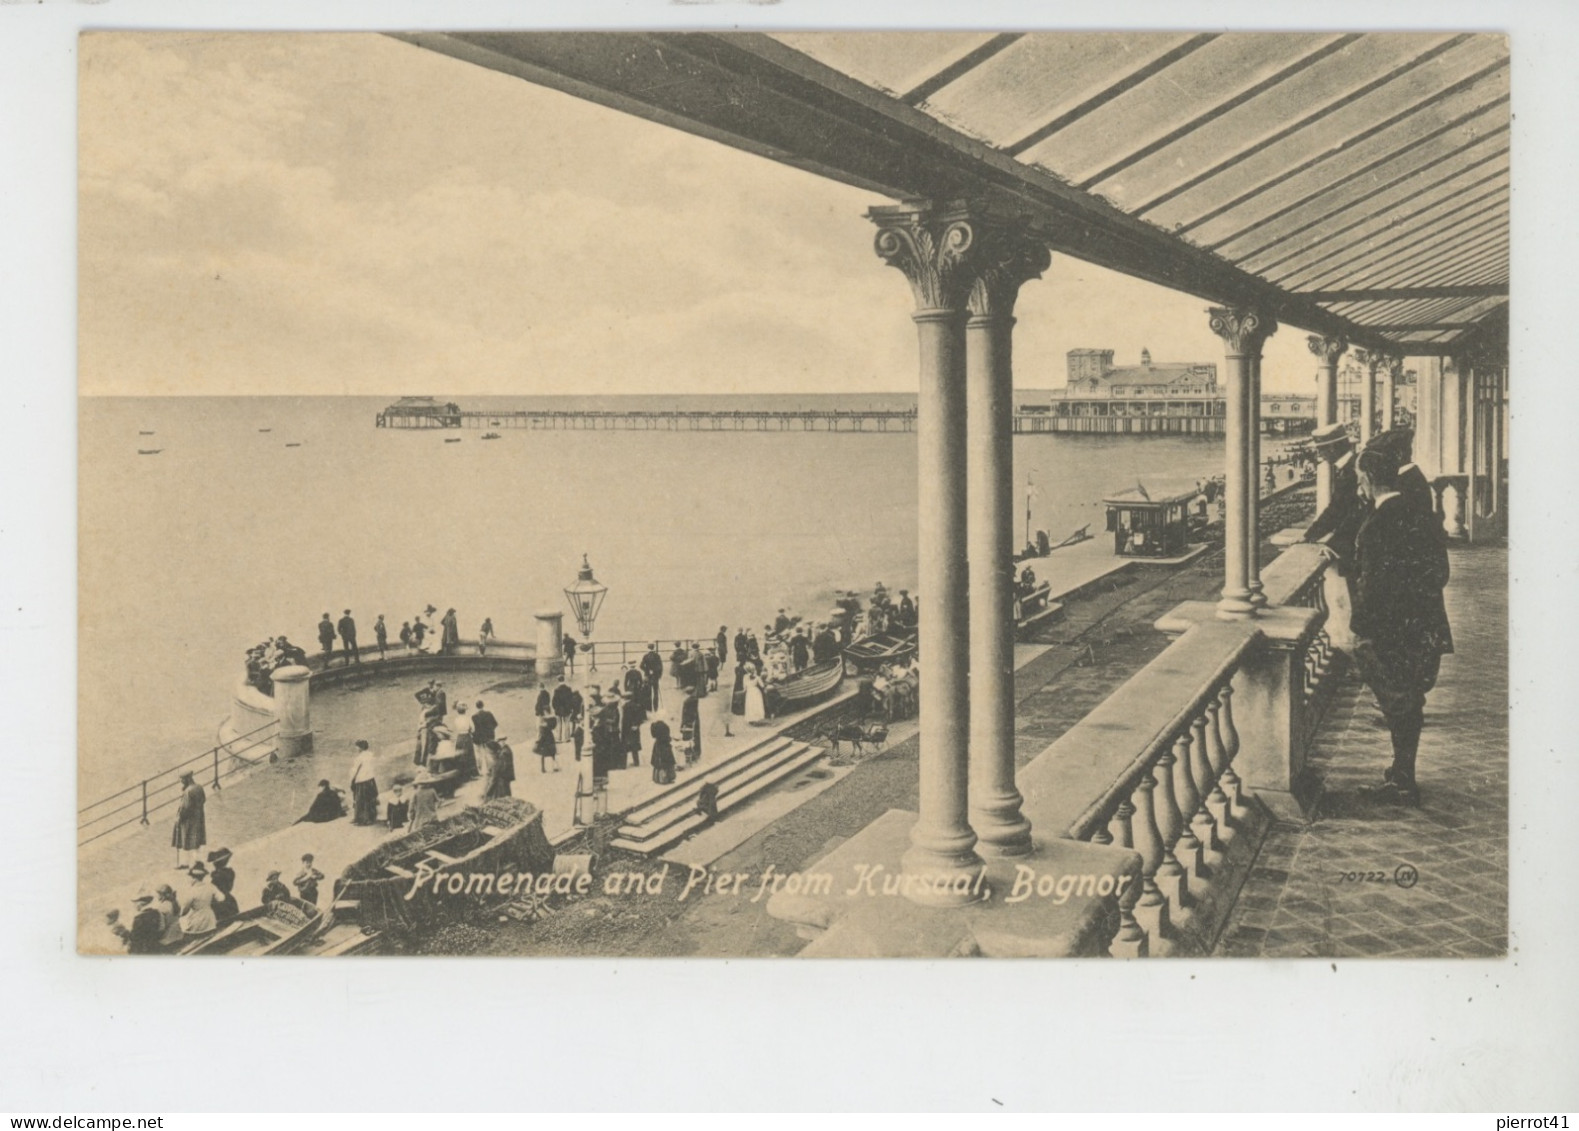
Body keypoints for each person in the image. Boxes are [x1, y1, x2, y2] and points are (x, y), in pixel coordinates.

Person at [1350, 445, 1453, 807]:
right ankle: (1402, 772)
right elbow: (1440, 573)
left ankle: (1404, 782)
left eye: (1359, 479)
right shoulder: (1422, 515)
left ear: (1367, 480)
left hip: (1391, 631)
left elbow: (1373, 587)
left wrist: (1359, 626)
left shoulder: (1377, 524)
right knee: (1410, 701)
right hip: (1425, 627)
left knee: (1398, 704)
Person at [1303, 423, 1364, 573]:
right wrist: (1311, 535)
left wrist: (1311, 536)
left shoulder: (1350, 471)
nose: (1319, 455)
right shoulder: (1353, 464)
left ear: (1332, 448)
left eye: (1320, 449)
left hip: (1354, 546)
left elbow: (1339, 509)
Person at [171, 771, 206, 867]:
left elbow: (184, 808)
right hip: (198, 818)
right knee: (196, 841)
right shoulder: (199, 787)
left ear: (187, 779)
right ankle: (196, 862)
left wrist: (179, 818)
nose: (181, 782)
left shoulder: (188, 791)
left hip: (188, 820)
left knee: (186, 841)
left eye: (182, 780)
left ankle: (186, 863)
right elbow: (203, 800)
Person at [178, 862, 218, 939]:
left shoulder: (191, 891)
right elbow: (221, 898)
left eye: (190, 877)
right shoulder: (210, 886)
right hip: (210, 921)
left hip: (196, 923)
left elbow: (184, 912)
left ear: (194, 878)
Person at [348, 739, 379, 825]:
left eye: (357, 747)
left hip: (361, 780)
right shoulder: (371, 755)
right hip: (370, 779)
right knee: (370, 799)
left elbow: (354, 770)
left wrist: (351, 780)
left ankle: (361, 818)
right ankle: (371, 818)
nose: (356, 749)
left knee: (360, 800)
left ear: (360, 748)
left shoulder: (359, 758)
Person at [124, 890, 164, 954]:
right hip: (155, 947)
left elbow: (134, 940)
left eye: (135, 903)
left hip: (143, 951)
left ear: (140, 904)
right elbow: (161, 928)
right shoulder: (157, 913)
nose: (134, 905)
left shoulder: (138, 919)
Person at [206, 848, 238, 924]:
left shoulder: (216, 876)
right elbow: (229, 887)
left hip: (217, 902)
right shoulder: (229, 873)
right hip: (227, 901)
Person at [620, 687, 646, 766]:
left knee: (624, 746)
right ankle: (636, 762)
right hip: (634, 728)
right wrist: (637, 725)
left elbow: (625, 720)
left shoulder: (625, 707)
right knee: (634, 746)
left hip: (627, 729)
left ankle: (623, 764)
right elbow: (641, 718)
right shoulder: (636, 705)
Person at [154, 884, 184, 949]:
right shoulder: (175, 903)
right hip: (179, 934)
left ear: (162, 895)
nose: (156, 896)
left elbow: (162, 927)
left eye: (157, 894)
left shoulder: (161, 907)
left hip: (168, 940)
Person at [649, 717, 676, 785]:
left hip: (659, 748)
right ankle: (664, 779)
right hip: (664, 748)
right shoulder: (664, 729)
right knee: (665, 764)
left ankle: (658, 778)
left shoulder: (657, 742)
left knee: (658, 764)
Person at [680, 688, 702, 768]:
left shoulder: (687, 702)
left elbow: (684, 714)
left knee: (687, 740)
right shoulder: (695, 700)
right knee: (695, 737)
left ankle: (690, 755)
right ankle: (696, 752)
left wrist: (682, 724)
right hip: (695, 722)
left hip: (688, 723)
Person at [640, 644, 665, 711]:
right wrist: (658, 675)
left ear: (648, 648)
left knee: (648, 692)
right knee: (656, 692)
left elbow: (641, 666)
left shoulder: (646, 656)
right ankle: (655, 708)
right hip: (655, 676)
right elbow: (660, 667)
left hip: (648, 676)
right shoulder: (657, 656)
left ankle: (649, 708)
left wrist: (647, 670)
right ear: (654, 648)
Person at [552, 675, 576, 741]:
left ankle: (559, 738)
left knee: (559, 724)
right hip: (567, 709)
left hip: (559, 710)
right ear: (564, 680)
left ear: (558, 680)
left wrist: (555, 708)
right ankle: (567, 738)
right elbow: (571, 699)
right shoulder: (568, 689)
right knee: (567, 723)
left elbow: (554, 701)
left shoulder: (556, 690)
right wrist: (571, 708)